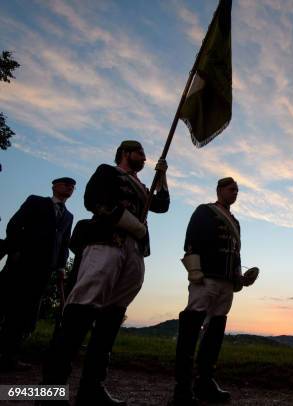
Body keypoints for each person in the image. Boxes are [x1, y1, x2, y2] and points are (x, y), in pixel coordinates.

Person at [41, 140, 170, 406]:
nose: (144, 158)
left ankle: (92, 388)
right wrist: (130, 222)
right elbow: (94, 202)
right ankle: (51, 391)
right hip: (106, 242)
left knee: (112, 317)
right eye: (140, 153)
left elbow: (162, 206)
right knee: (82, 310)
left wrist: (163, 176)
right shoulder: (107, 172)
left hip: (134, 251)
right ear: (125, 153)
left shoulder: (143, 188)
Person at [172, 177, 257, 406]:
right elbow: (191, 241)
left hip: (226, 281)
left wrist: (239, 277)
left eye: (237, 190)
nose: (235, 193)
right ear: (219, 190)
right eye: (231, 189)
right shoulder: (205, 211)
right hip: (206, 277)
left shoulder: (236, 223)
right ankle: (182, 389)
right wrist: (195, 269)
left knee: (216, 330)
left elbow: (236, 253)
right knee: (191, 326)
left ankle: (205, 382)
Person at [0, 177, 75, 371]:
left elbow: (64, 244)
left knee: (26, 314)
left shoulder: (68, 216)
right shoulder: (36, 202)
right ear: (54, 186)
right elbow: (14, 224)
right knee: (6, 305)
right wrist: (15, 251)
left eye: (72, 186)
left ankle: (10, 357)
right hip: (20, 265)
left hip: (43, 272)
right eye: (66, 184)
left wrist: (60, 267)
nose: (70, 187)